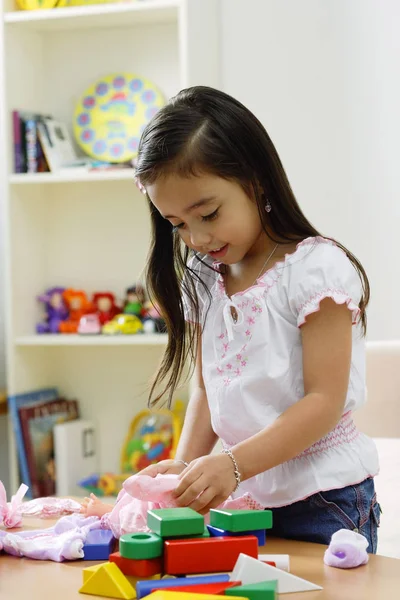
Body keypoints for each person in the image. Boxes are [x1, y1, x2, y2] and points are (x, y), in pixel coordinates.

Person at [137, 85, 380, 552]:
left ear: (256, 180)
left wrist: (230, 465)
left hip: (325, 497)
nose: (197, 237)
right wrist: (186, 468)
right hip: (245, 497)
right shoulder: (207, 279)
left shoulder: (314, 272)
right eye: (177, 224)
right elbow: (209, 388)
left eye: (207, 213)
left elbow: (323, 401)